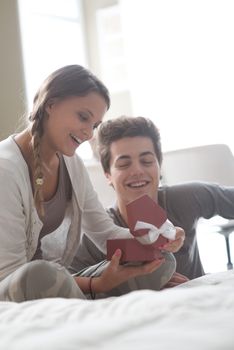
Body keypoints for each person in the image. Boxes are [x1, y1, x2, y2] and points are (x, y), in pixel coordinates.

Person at [0, 66, 185, 302]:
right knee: (41, 273)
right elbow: (12, 273)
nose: (88, 134)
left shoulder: (72, 164)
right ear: (51, 104)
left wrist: (158, 238)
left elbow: (105, 233)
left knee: (158, 260)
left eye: (95, 125)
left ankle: (81, 297)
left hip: (56, 280)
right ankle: (88, 298)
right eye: (83, 117)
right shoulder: (5, 169)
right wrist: (95, 284)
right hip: (14, 285)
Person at [74, 116, 234, 295]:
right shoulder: (95, 232)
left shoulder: (187, 198)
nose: (137, 171)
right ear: (107, 175)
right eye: (124, 164)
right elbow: (65, 284)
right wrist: (141, 283)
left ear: (159, 166)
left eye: (147, 161)